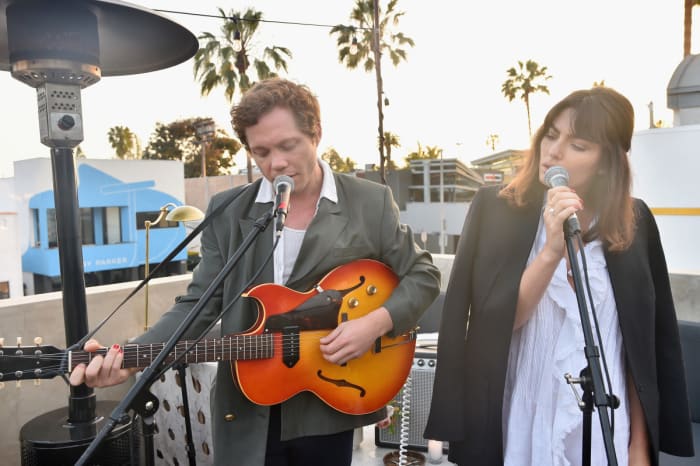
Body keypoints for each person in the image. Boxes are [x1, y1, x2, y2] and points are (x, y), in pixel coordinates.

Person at [69, 77, 441, 465]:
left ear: (316, 133)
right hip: (246, 405)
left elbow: (423, 274)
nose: (275, 163)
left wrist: (375, 323)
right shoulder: (228, 210)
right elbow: (198, 305)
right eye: (261, 151)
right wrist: (131, 358)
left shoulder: (369, 201)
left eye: (287, 145)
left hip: (329, 400)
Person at [424, 86, 694, 465]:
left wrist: (638, 447)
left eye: (578, 145)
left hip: (603, 423)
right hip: (518, 415)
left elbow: (638, 344)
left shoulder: (634, 222)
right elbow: (496, 323)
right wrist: (551, 249)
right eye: (551, 134)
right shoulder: (497, 209)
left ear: (606, 161)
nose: (554, 151)